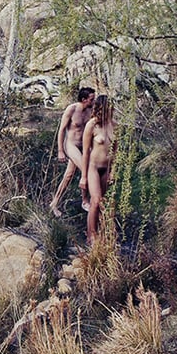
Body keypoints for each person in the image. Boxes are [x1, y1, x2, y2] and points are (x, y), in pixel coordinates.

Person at [49, 86, 96, 217]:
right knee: (86, 170)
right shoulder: (72, 109)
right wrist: (60, 151)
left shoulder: (90, 110)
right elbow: (61, 130)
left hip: (83, 146)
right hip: (70, 145)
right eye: (92, 99)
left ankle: (54, 203)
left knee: (68, 176)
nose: (94, 101)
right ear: (84, 99)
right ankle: (85, 200)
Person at [80, 94, 116, 244]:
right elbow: (85, 151)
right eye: (108, 107)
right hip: (93, 168)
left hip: (106, 168)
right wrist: (83, 176)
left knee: (104, 202)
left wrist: (113, 171)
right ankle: (91, 235)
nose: (111, 110)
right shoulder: (91, 125)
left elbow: (116, 151)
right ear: (101, 108)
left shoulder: (114, 125)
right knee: (96, 200)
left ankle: (104, 232)